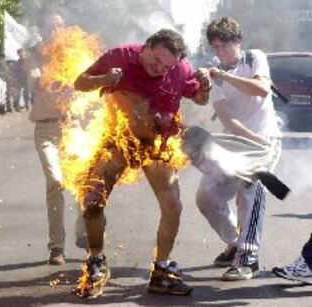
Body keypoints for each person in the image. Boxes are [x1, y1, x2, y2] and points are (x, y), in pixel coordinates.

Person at [72, 29, 211, 297]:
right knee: (92, 199)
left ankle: (161, 271)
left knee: (172, 205)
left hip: (157, 145)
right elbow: (80, 82)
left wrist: (206, 85)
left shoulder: (181, 69)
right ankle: (96, 260)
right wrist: (105, 78)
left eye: (167, 66)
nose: (159, 69)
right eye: (155, 61)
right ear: (146, 47)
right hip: (118, 141)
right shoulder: (121, 56)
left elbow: (201, 99)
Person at [195, 17, 282, 281]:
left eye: (223, 45)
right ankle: (234, 241)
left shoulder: (253, 58)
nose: (219, 52)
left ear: (238, 42)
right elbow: (226, 118)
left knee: (251, 189)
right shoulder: (215, 79)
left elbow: (261, 90)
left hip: (266, 140)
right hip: (238, 140)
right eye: (215, 47)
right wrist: (248, 136)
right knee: (206, 196)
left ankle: (248, 257)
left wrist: (223, 75)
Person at [28, 13, 86, 266]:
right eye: (52, 27)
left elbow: (87, 86)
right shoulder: (35, 57)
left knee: (86, 181)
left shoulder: (76, 54)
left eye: (60, 26)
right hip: (46, 130)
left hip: (72, 126)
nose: (57, 31)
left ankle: (84, 232)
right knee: (55, 181)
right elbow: (37, 83)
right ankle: (56, 247)